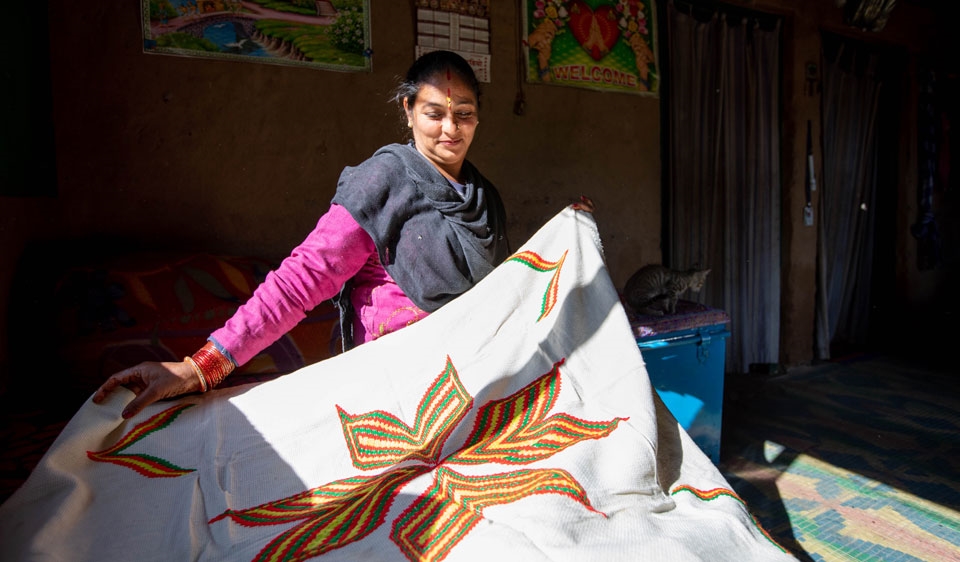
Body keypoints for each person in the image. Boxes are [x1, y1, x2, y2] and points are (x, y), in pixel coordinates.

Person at [93, 50, 595, 420]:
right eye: (434, 112)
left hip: (473, 387)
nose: (450, 128)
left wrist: (566, 239)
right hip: (397, 397)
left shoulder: (485, 198)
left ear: (478, 117)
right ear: (407, 111)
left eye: (464, 113)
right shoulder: (382, 183)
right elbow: (299, 281)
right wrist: (201, 366)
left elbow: (498, 297)